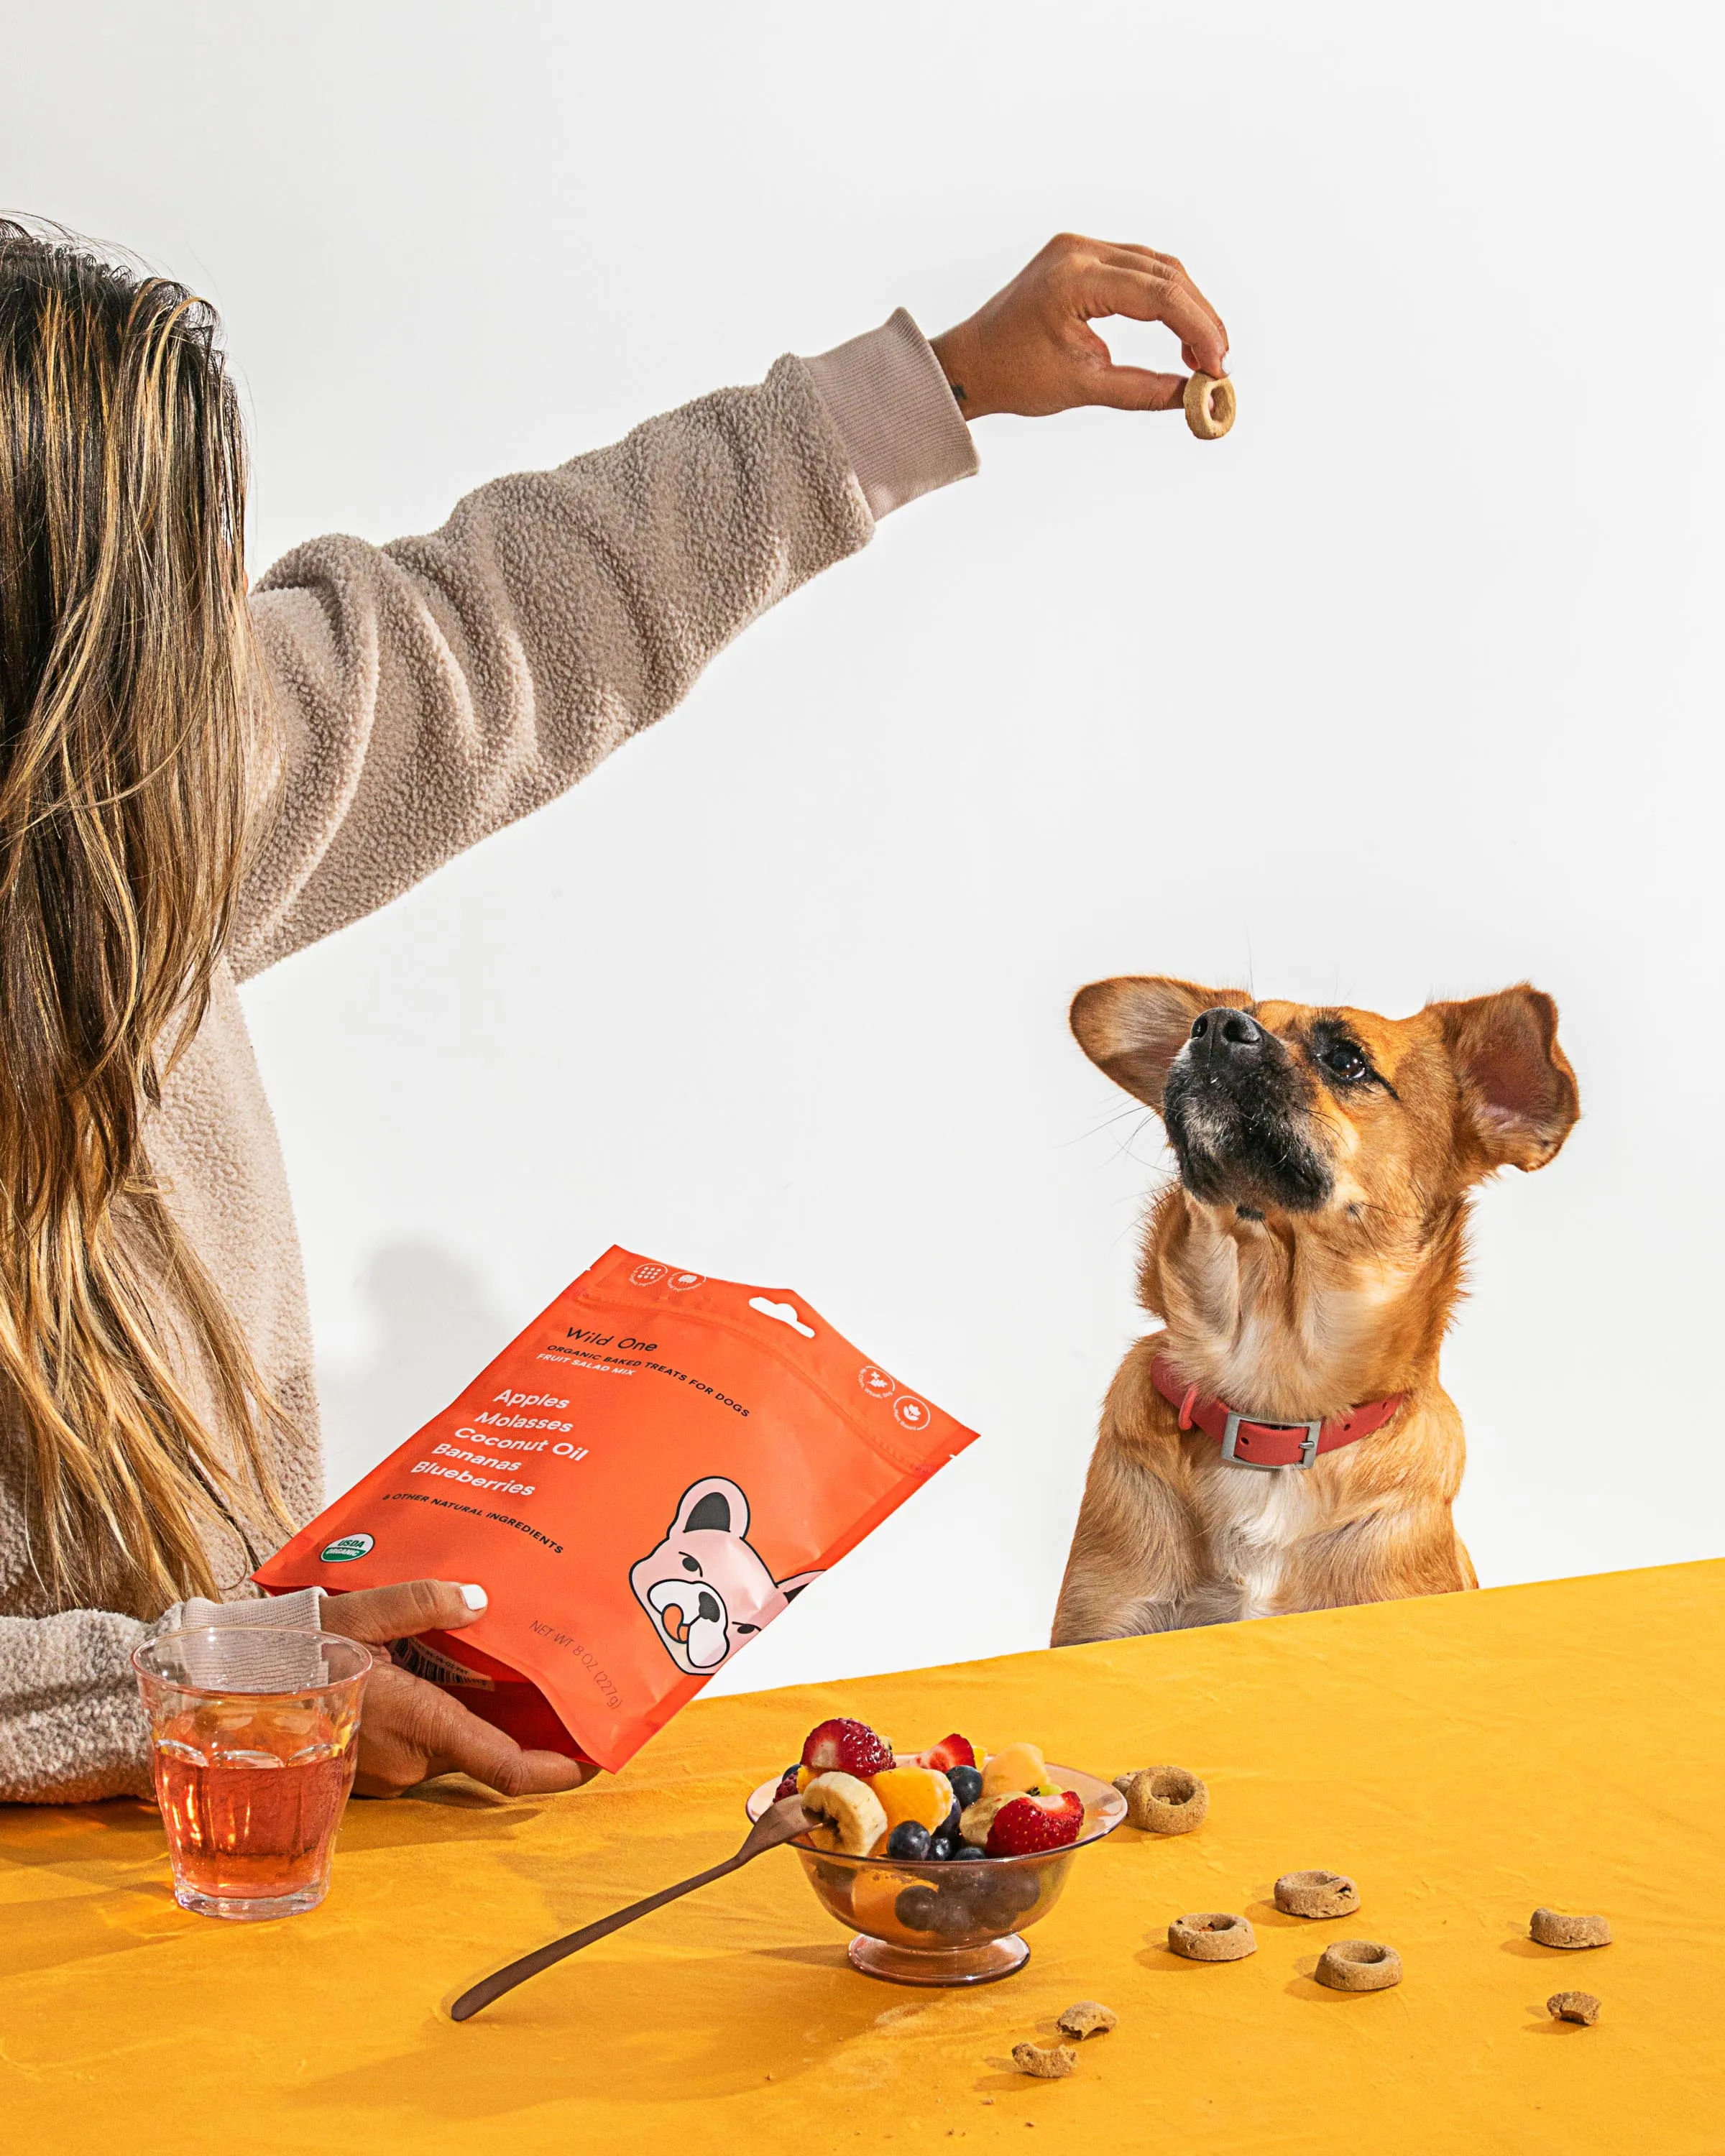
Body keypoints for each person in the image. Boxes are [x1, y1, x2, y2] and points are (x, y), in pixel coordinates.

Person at [0, 222, 1228, 1803]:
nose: (217, 651)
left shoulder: (149, 793)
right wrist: (170, 1687)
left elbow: (503, 618)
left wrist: (938, 386)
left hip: (250, 1843)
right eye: (165, 601)